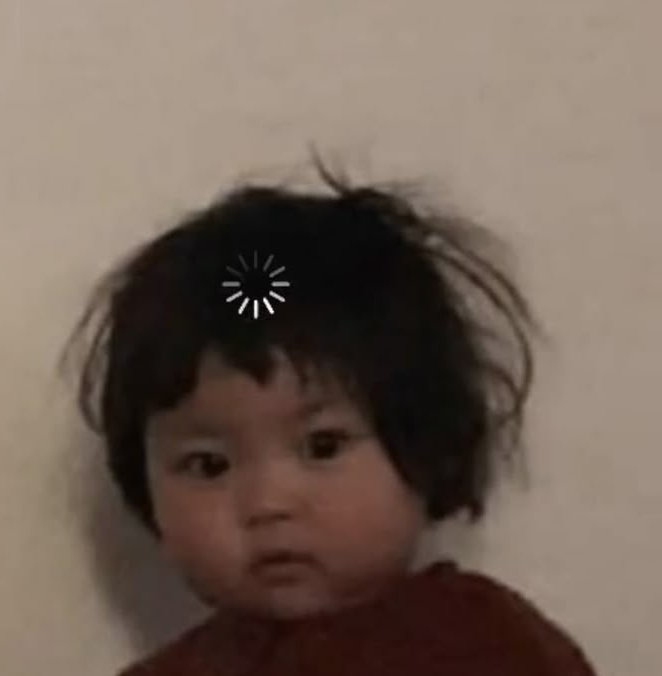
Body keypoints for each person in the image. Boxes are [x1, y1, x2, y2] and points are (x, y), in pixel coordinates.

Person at [61, 159, 598, 675]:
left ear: (428, 444)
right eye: (208, 465)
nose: (268, 504)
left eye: (322, 447)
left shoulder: (489, 649)